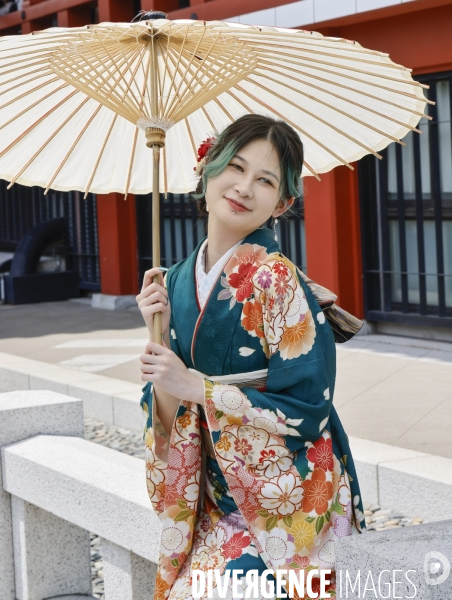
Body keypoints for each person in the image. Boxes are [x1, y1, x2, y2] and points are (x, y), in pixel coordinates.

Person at [137, 114, 366, 600]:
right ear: (206, 169)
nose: (244, 187)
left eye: (265, 181)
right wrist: (159, 346)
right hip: (217, 495)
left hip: (291, 496)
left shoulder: (278, 280)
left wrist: (200, 389)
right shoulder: (175, 280)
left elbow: (308, 410)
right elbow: (169, 405)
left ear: (282, 202)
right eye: (234, 167)